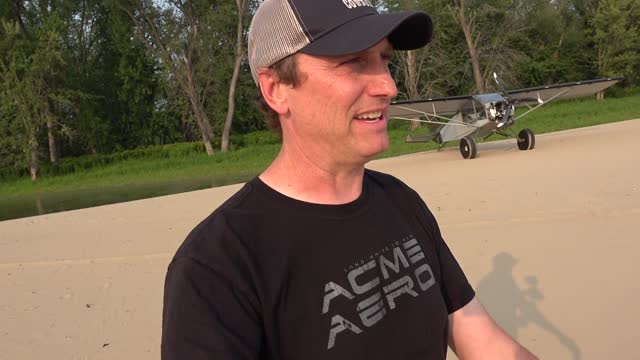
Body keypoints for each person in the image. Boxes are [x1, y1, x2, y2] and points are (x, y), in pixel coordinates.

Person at [161, 0, 538, 359]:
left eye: (384, 59)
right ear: (276, 89)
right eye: (354, 62)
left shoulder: (400, 201)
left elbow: (485, 344)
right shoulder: (216, 266)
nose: (388, 86)